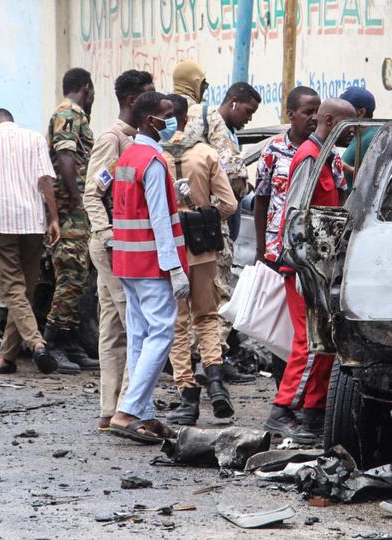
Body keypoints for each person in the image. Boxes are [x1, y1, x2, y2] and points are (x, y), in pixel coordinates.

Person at [262, 98, 357, 444]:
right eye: (346, 127)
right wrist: (303, 265)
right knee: (309, 343)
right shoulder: (308, 158)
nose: (349, 136)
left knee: (321, 341)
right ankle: (284, 409)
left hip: (318, 263)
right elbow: (297, 213)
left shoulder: (326, 157)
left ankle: (310, 414)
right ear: (329, 121)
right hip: (306, 265)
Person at [108, 91, 188, 444]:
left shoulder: (128, 156)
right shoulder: (153, 162)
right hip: (151, 262)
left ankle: (143, 413)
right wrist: (175, 269)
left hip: (127, 261)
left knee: (140, 335)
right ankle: (128, 411)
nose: (172, 122)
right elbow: (159, 218)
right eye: (166, 116)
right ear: (148, 121)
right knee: (162, 334)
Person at [174, 64, 259, 384]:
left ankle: (188, 367)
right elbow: (234, 176)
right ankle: (214, 363)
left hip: (179, 228)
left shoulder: (173, 120)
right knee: (215, 298)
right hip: (209, 229)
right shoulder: (211, 121)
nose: (249, 118)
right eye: (248, 111)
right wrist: (219, 210)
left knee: (184, 307)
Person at [161, 94, 238, 425]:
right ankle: (217, 383)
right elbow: (230, 204)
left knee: (178, 324)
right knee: (207, 316)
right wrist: (205, 217)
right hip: (204, 248)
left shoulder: (156, 157)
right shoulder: (206, 153)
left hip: (169, 250)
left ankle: (188, 397)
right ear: (187, 119)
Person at [84, 69, 155, 430]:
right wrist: (108, 233)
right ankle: (132, 408)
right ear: (133, 102)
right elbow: (92, 193)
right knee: (135, 327)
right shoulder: (114, 141)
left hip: (116, 245)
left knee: (113, 328)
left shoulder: (132, 140)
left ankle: (109, 410)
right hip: (115, 247)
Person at [0, 108, 63, 375]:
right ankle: (6, 358)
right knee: (24, 290)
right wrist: (53, 218)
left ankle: (36, 343)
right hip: (33, 222)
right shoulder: (34, 137)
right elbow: (45, 180)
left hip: (2, 221)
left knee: (13, 288)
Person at [252, 86, 320, 401]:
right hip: (276, 251)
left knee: (304, 329)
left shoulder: (325, 153)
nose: (314, 117)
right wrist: (260, 248)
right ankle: (284, 390)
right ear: (290, 114)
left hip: (308, 257)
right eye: (308, 111)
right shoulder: (272, 152)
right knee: (280, 326)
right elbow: (261, 201)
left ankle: (295, 394)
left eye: (317, 111)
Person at [44, 67, 100, 372]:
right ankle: (53, 343)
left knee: (78, 276)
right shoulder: (70, 113)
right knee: (70, 276)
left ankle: (71, 343)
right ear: (87, 89)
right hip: (70, 210)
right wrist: (78, 199)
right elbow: (65, 157)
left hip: (74, 208)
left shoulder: (72, 114)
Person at [339, 86, 378, 186]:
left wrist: (347, 168)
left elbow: (376, 177)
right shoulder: (358, 133)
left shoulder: (372, 137)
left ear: (361, 112)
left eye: (345, 108)